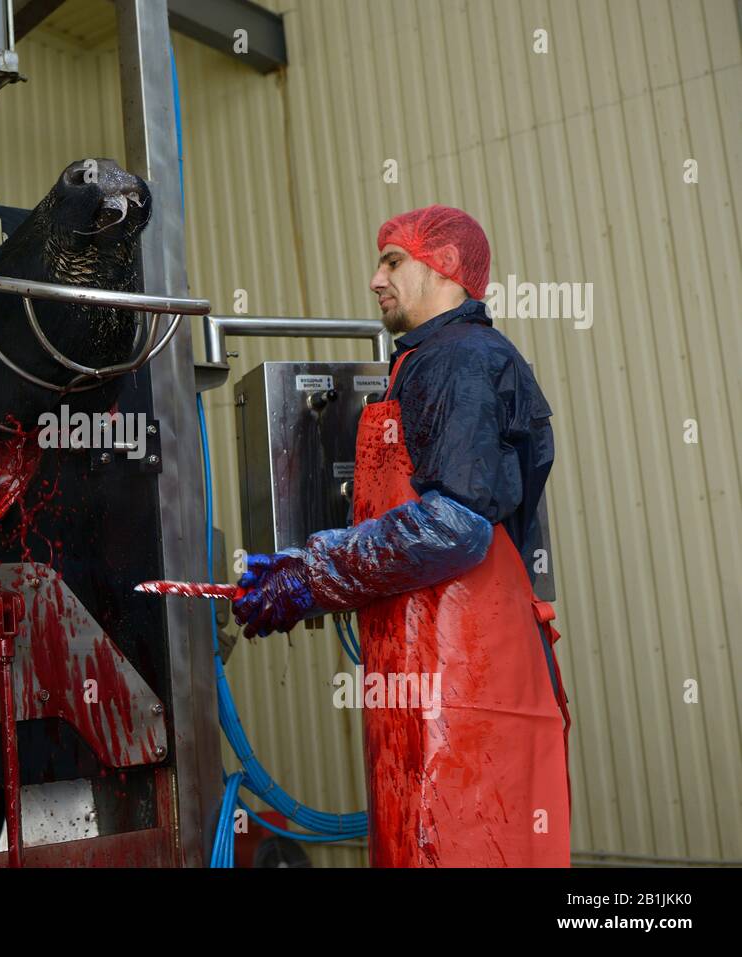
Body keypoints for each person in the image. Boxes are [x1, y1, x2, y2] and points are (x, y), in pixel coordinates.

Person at [232, 205, 571, 867]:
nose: (374, 278)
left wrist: (314, 572)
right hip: (427, 666)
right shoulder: (425, 362)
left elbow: (455, 525)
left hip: (464, 674)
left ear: (442, 265)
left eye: (392, 260)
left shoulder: (460, 361)